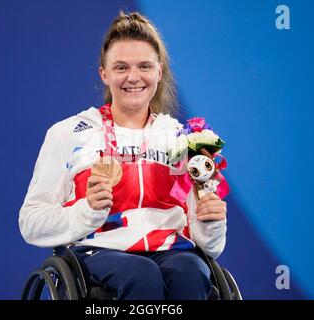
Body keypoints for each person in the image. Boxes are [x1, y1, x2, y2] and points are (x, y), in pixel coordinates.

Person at [19, 11, 227, 300]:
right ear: (103, 73)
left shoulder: (183, 139)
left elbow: (211, 247)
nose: (133, 77)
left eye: (144, 66)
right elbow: (31, 223)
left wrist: (211, 222)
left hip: (173, 253)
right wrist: (87, 211)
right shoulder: (69, 133)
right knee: (142, 276)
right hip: (100, 253)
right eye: (121, 67)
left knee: (190, 272)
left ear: (159, 72)